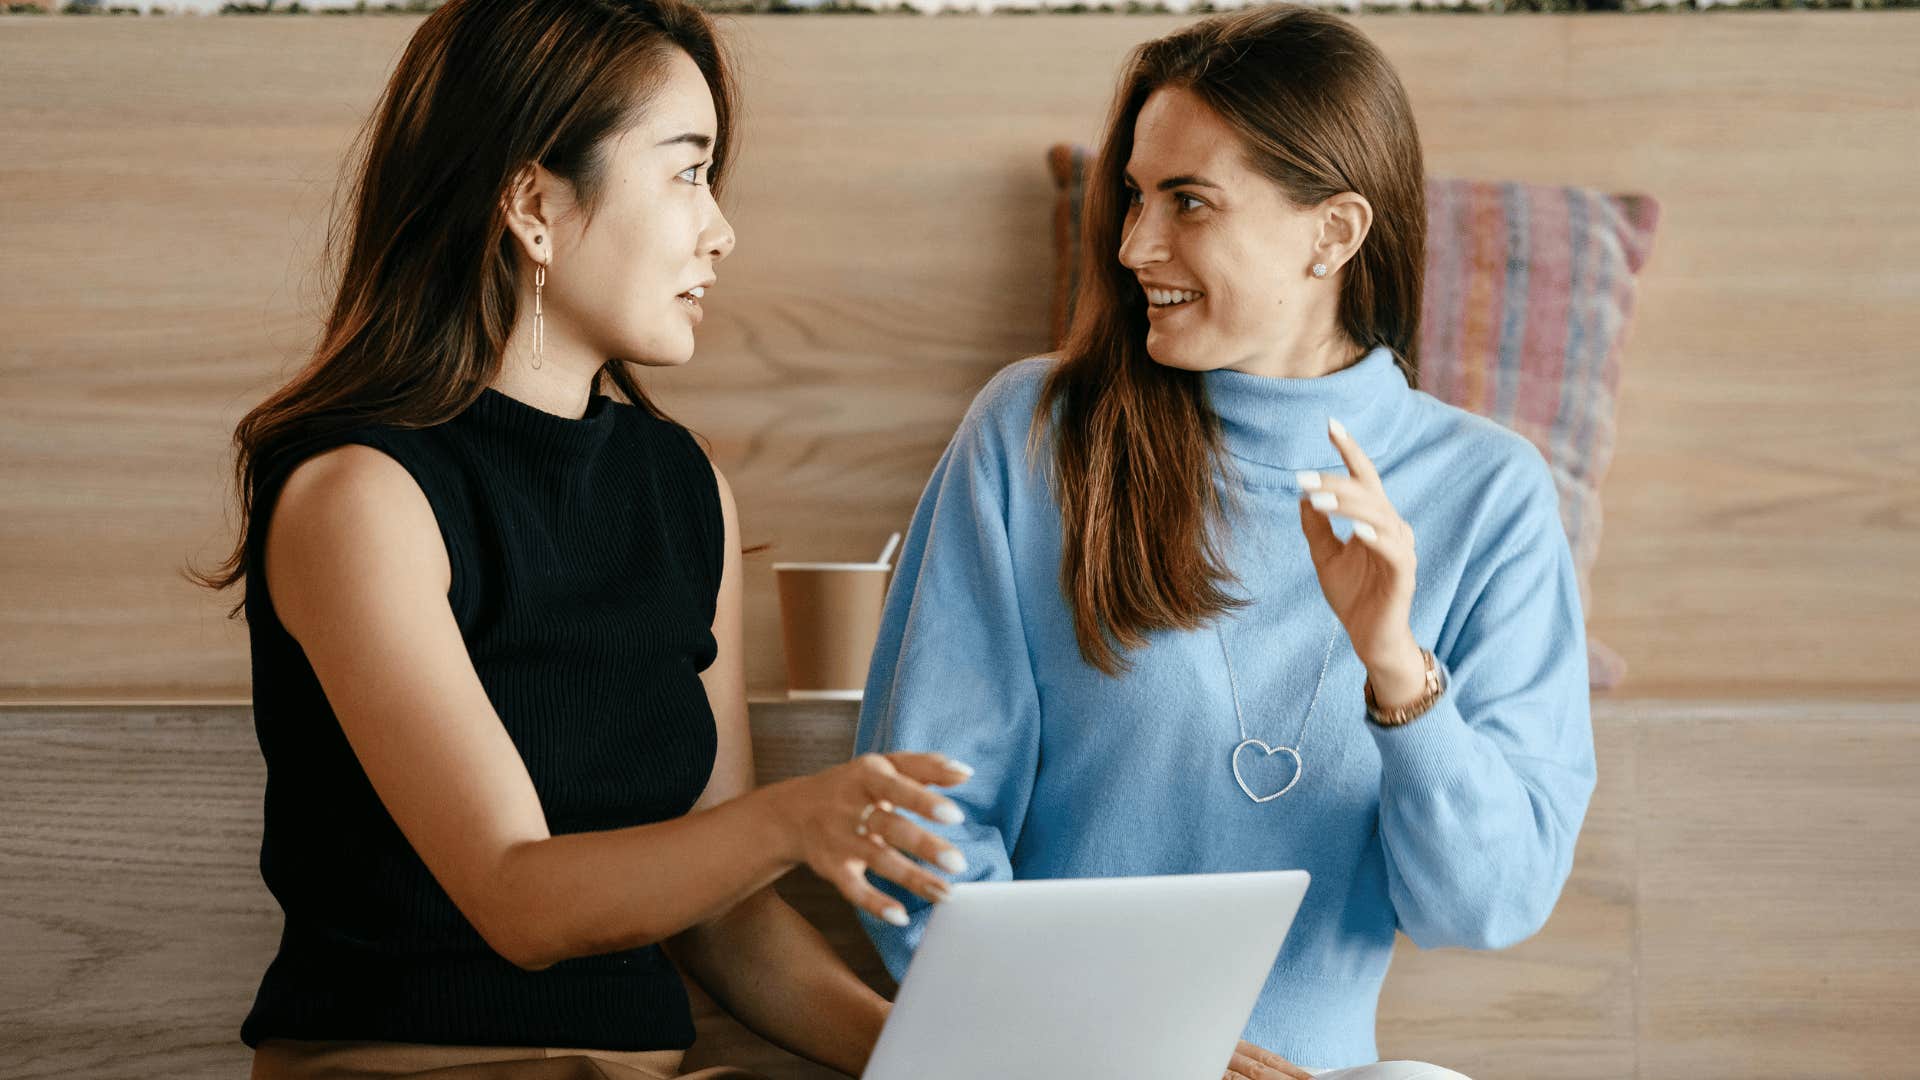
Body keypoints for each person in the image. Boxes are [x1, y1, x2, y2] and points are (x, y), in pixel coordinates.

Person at [193, 2, 969, 1076]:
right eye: (687, 172)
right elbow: (519, 898)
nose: (721, 229)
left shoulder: (683, 486)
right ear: (532, 205)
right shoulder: (362, 496)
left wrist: (962, 1060)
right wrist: (796, 821)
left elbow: (726, 925)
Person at [854, 8, 1596, 1078]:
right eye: (1134, 196)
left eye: (1188, 202)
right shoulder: (1034, 436)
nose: (1132, 246)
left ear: (1333, 234)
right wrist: (1124, 1053)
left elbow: (1488, 904)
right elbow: (915, 833)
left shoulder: (1492, 495)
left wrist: (1396, 670)